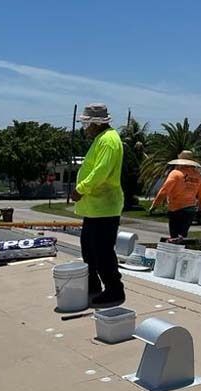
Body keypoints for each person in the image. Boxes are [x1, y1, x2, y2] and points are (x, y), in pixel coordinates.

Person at [70, 103, 125, 306]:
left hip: (104, 207)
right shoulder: (101, 139)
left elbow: (100, 172)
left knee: (102, 252)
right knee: (89, 250)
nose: (85, 128)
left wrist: (81, 188)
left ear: (95, 123)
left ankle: (114, 290)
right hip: (95, 208)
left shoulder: (109, 141)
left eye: (87, 124)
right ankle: (93, 286)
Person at [151, 151, 201, 239]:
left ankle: (174, 250)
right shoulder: (199, 176)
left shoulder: (176, 173)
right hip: (190, 209)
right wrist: (200, 209)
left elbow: (164, 191)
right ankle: (181, 249)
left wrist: (155, 205)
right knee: (183, 236)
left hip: (176, 209)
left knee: (174, 236)